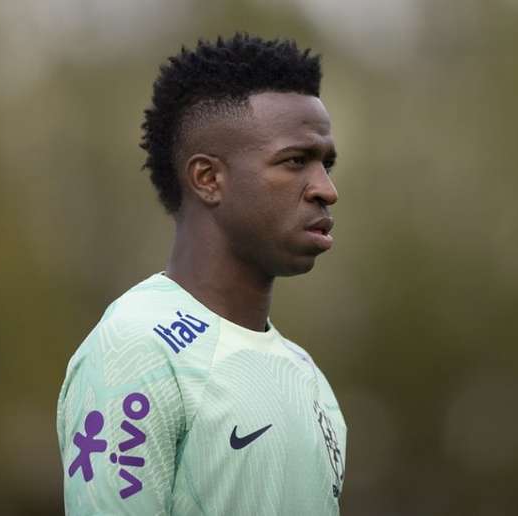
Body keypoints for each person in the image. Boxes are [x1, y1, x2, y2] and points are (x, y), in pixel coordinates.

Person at [56, 33, 346, 515]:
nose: (326, 189)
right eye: (296, 161)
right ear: (208, 179)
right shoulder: (135, 351)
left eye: (326, 164)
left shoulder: (306, 375)